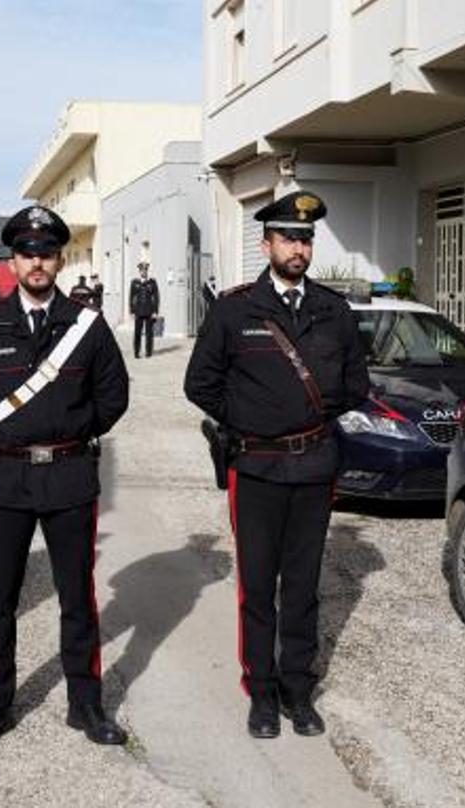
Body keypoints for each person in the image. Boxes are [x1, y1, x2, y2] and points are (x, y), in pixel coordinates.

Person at [184, 190, 369, 739]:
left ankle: (297, 690)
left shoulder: (333, 312)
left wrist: (309, 421)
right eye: (288, 237)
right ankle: (261, 694)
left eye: (306, 239)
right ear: (265, 244)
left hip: (314, 468)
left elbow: (355, 386)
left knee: (304, 586)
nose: (298, 248)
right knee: (258, 586)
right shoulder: (235, 309)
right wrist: (250, 420)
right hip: (258, 469)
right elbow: (200, 384)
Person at [0, 204, 130, 751]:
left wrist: (71, 430)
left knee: (77, 596)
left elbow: (113, 395)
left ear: (59, 259)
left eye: (47, 252)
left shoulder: (87, 327)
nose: (37, 262)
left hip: (70, 475)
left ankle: (86, 704)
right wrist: (1, 437)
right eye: (27, 253)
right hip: (4, 479)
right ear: (12, 262)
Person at [129, 261, 159, 358]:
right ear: (139, 271)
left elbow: (156, 297)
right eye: (142, 270)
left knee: (149, 333)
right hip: (138, 311)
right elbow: (131, 297)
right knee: (137, 332)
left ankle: (148, 352)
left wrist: (155, 311)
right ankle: (136, 352)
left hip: (149, 310)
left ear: (147, 271)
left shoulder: (152, 282)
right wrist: (132, 311)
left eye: (145, 270)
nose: (144, 272)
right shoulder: (134, 282)